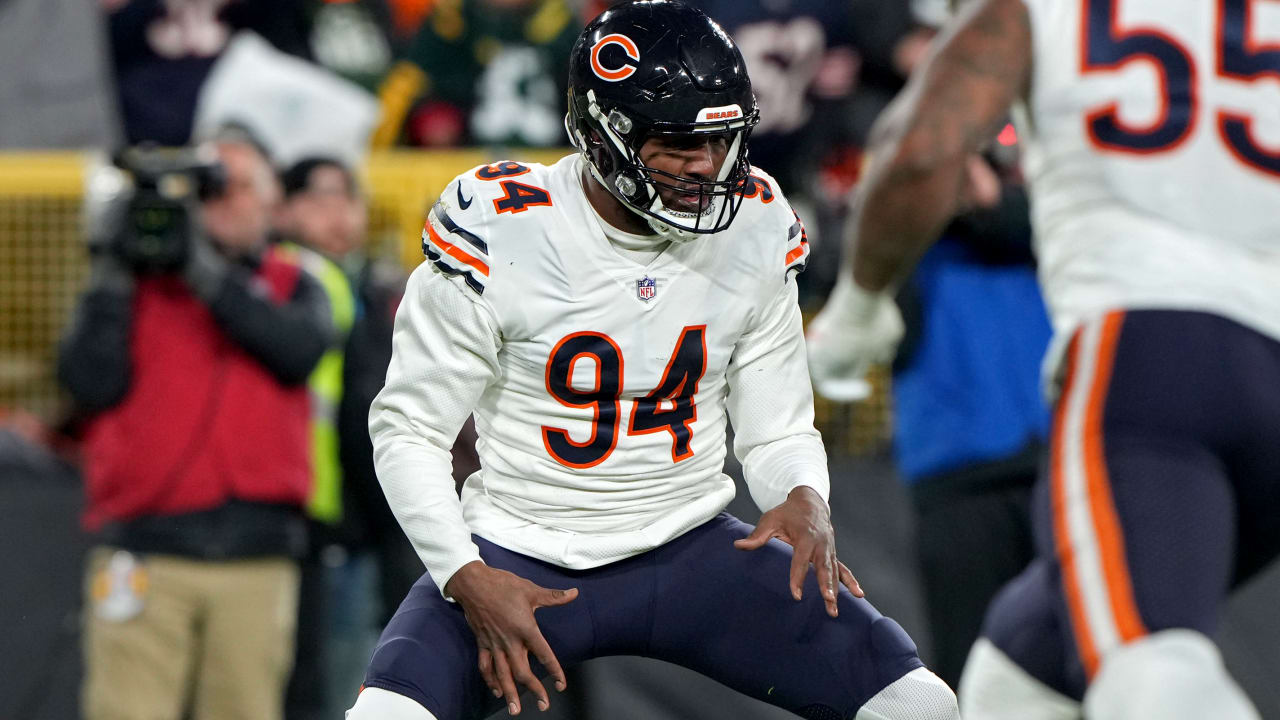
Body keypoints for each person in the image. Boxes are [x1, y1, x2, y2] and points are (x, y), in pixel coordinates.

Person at [348, 2, 960, 719]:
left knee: (916, 704)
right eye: (676, 143)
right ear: (603, 135)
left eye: (722, 140)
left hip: (690, 545)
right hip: (519, 548)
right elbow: (408, 429)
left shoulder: (756, 223)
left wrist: (802, 495)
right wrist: (463, 574)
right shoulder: (504, 227)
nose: (706, 166)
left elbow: (777, 429)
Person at [805, 0, 1280, 718]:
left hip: (1147, 358)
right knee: (1014, 682)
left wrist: (857, 312)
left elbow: (922, 151)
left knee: (1151, 673)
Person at [60, 132, 336, 720]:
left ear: (271, 205)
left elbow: (296, 350)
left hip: (256, 559)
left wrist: (203, 273)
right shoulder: (135, 289)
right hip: (144, 549)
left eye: (236, 187)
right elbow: (87, 383)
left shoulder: (299, 283)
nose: (219, 201)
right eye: (206, 189)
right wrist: (110, 269)